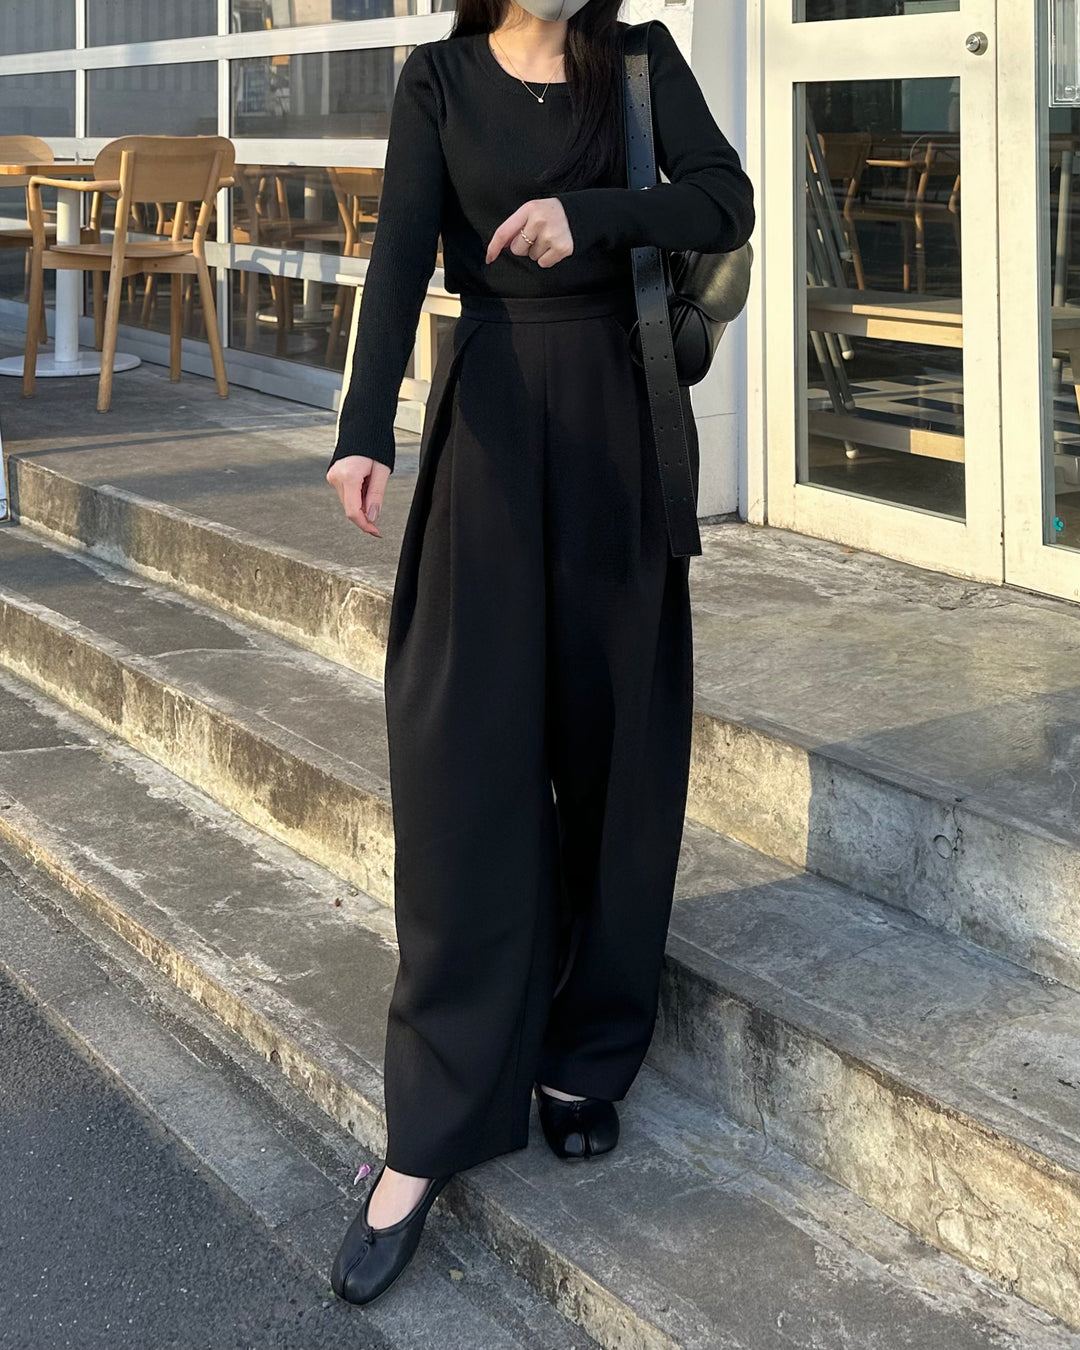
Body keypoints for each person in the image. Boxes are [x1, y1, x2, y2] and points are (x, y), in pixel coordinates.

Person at [323, 0, 755, 1307]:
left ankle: (588, 1053)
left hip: (622, 416)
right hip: (495, 424)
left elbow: (726, 201)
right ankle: (431, 1123)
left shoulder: (640, 60)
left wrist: (594, 216)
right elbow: (400, 256)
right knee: (461, 764)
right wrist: (362, 431)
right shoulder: (439, 80)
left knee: (618, 752)